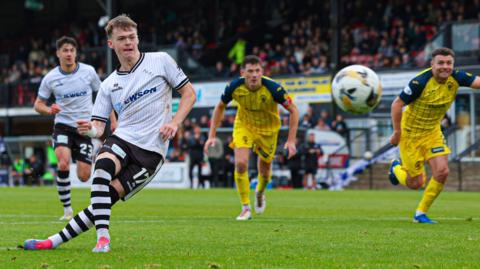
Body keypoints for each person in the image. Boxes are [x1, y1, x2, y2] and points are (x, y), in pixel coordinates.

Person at [24, 14, 196, 252]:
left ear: (138, 38)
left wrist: (175, 122)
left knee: (103, 201)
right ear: (110, 43)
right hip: (123, 139)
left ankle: (52, 241)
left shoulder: (161, 61)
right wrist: (90, 129)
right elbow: (99, 127)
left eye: (132, 37)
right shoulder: (108, 84)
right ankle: (102, 238)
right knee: (101, 169)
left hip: (151, 153)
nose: (128, 42)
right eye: (122, 38)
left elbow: (189, 93)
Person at [388, 47, 480, 224]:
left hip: (432, 132)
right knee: (416, 183)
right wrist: (397, 133)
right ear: (432, 64)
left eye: (449, 63)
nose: (445, 67)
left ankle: (420, 213)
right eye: (441, 63)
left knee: (442, 171)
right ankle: (395, 168)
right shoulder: (420, 82)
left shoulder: (457, 77)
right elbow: (396, 104)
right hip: (410, 134)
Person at [204, 55, 299, 221]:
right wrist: (211, 136)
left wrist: (291, 141)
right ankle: (245, 208)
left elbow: (294, 110)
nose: (254, 75)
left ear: (262, 71)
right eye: (250, 71)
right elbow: (219, 107)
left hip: (268, 131)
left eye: (257, 71)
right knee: (241, 164)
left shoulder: (274, 88)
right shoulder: (234, 86)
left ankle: (260, 193)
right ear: (243, 72)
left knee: (265, 170)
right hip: (244, 126)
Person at [33, 36, 107, 220]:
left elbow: (104, 96)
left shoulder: (88, 72)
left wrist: (111, 120)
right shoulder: (50, 78)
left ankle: (82, 164)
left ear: (76, 53)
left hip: (83, 129)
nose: (68, 53)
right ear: (58, 53)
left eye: (71, 50)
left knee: (83, 176)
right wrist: (49, 110)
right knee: (63, 162)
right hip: (63, 126)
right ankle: (67, 210)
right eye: (65, 50)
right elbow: (38, 105)